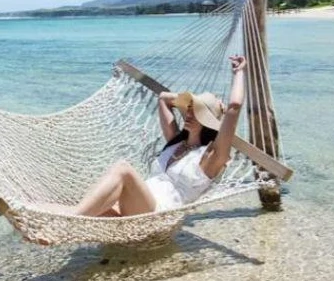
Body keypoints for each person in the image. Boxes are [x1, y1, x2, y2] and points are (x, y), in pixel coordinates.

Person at [27, 55, 248, 228]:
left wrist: (239, 73)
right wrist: (191, 101)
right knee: (68, 203)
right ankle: (24, 211)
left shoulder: (211, 157)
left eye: (197, 112)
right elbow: (164, 98)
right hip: (135, 206)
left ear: (208, 122)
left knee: (123, 169)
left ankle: (69, 223)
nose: (189, 114)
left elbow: (235, 108)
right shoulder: (175, 142)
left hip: (158, 214)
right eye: (188, 110)